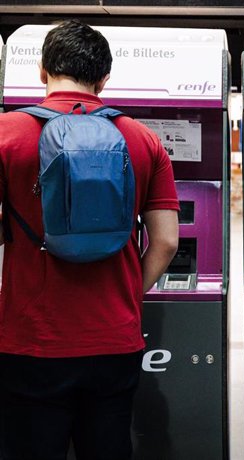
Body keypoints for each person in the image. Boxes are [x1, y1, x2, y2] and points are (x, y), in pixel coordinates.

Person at [0, 19, 179, 459]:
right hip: (114, 337)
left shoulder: (6, 135)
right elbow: (167, 242)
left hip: (31, 339)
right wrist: (128, 296)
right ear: (103, 79)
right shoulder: (143, 140)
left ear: (42, 70)